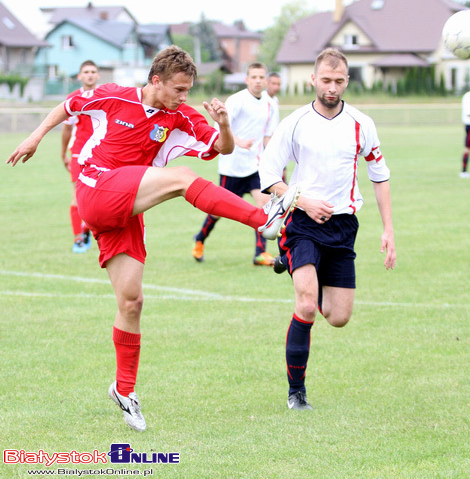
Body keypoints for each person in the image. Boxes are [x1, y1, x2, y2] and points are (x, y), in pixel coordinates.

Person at [7, 45, 299, 431]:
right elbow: (68, 105)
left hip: (127, 208)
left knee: (132, 301)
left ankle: (124, 390)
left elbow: (221, 148)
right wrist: (35, 137)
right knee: (181, 178)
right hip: (95, 187)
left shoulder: (181, 116)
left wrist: (225, 125)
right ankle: (263, 219)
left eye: (189, 90)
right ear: (156, 81)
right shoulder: (115, 95)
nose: (184, 96)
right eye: (178, 89)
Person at [258, 48, 396, 411]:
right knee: (305, 306)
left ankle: (291, 264)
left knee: (338, 317)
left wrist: (388, 230)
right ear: (313, 80)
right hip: (303, 223)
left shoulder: (361, 124)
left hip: (344, 226)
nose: (331, 88)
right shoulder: (296, 122)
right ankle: (296, 393)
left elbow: (379, 177)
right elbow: (268, 176)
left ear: (347, 81)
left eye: (338, 81)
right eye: (325, 80)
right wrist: (302, 201)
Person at [192, 63, 280, 266]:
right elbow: (219, 125)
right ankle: (200, 239)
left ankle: (260, 253)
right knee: (217, 211)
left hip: (255, 167)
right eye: (254, 77)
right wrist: (239, 142)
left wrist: (275, 161)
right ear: (247, 79)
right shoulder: (237, 100)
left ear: (266, 80)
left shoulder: (271, 104)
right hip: (232, 167)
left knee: (264, 205)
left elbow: (268, 137)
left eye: (261, 77)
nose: (258, 80)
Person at [61, 60, 100, 253]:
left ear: (98, 76)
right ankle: (78, 239)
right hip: (78, 153)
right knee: (77, 197)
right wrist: (63, 153)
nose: (90, 75)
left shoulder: (107, 96)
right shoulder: (74, 98)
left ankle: (87, 228)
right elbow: (67, 128)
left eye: (93, 71)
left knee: (100, 197)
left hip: (102, 153)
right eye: (86, 72)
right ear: (80, 76)